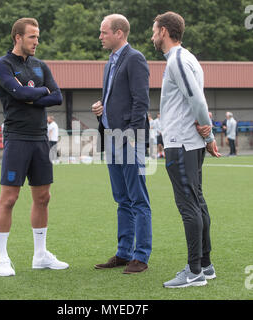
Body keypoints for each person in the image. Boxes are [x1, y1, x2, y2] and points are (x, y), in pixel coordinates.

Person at [0, 17, 68, 276]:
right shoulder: (2, 65)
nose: (37, 41)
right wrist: (40, 93)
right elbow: (20, 94)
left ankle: (40, 255)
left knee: (43, 198)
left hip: (40, 139)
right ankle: (1, 258)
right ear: (18, 37)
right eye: (32, 37)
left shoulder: (40, 65)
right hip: (16, 138)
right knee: (9, 198)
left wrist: (31, 94)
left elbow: (57, 96)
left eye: (38, 36)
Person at [151, 11, 221, 288]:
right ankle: (205, 264)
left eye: (155, 31)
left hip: (181, 143)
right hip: (188, 143)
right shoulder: (188, 57)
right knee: (198, 202)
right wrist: (205, 134)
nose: (153, 36)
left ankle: (194, 272)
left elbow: (198, 101)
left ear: (165, 32)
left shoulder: (178, 60)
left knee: (189, 207)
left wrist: (209, 133)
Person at [91, 14, 152, 274]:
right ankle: (124, 253)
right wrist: (101, 108)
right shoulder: (110, 63)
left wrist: (131, 136)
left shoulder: (135, 58)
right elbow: (120, 100)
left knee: (138, 200)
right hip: (111, 138)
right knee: (122, 200)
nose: (101, 36)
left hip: (129, 140)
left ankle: (141, 255)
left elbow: (141, 102)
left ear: (119, 33)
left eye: (104, 32)